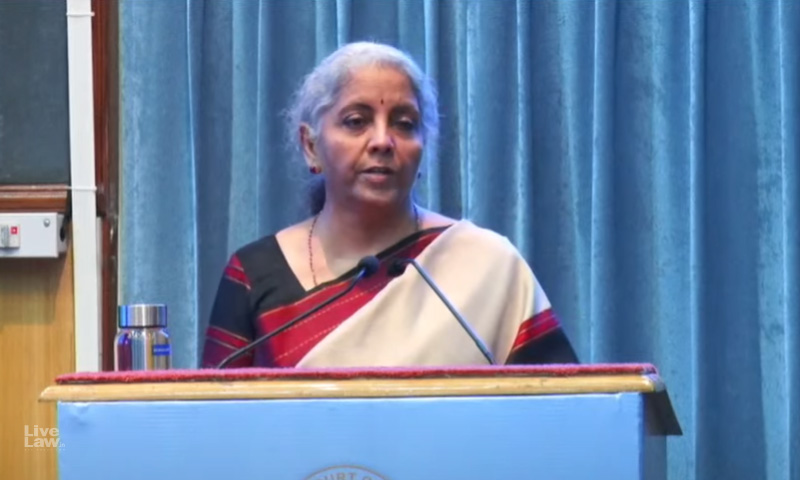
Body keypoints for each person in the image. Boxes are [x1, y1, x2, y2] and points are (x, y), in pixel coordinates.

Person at [201, 41, 578, 368]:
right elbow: (215, 418)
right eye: (356, 121)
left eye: (404, 123)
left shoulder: (488, 266)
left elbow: (562, 410)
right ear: (311, 146)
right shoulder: (253, 274)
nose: (383, 141)